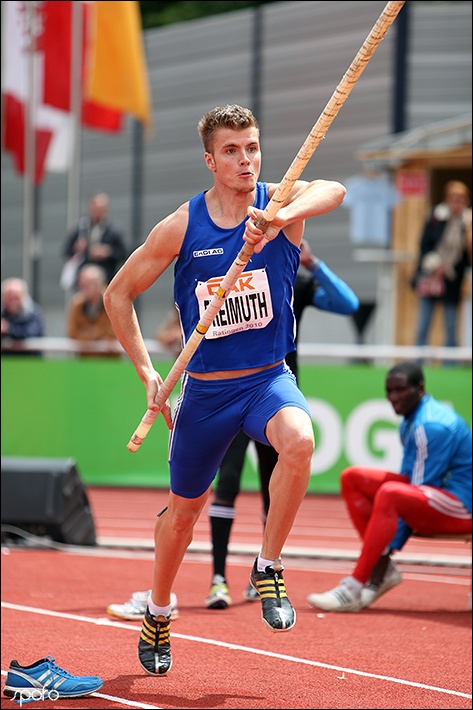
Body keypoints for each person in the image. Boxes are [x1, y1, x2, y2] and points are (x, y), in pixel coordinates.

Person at [103, 104, 346, 676]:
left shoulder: (281, 202)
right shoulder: (183, 226)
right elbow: (118, 295)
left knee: (300, 441)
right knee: (183, 517)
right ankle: (159, 610)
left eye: (253, 148)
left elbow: (330, 189)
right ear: (210, 160)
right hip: (206, 393)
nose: (245, 160)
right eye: (232, 151)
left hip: (266, 379)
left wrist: (277, 218)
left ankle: (268, 565)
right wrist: (147, 371)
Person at [206, 239, 359, 609]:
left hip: (276, 399)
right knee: (225, 483)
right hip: (231, 393)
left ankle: (261, 571)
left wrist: (313, 262)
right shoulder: (232, 274)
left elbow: (348, 304)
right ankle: (218, 580)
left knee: (272, 490)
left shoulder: (294, 281)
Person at [306, 360, 472, 613]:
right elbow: (412, 481)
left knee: (390, 493)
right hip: (440, 495)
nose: (393, 398)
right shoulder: (412, 419)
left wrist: (391, 543)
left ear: (420, 388)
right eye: (389, 391)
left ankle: (354, 586)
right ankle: (381, 568)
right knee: (352, 478)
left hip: (462, 506)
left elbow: (418, 489)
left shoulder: (432, 425)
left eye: (400, 390)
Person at [412, 180, 472, 349]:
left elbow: (467, 254)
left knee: (451, 324)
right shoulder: (437, 216)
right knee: (424, 321)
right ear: (447, 198)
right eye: (454, 197)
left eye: (461, 197)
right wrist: (436, 265)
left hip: (453, 276)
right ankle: (419, 360)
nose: (457, 201)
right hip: (430, 273)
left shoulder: (468, 221)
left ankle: (450, 365)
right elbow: (425, 244)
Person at [62, 192, 128, 289]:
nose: (97, 212)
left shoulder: (114, 230)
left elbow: (124, 254)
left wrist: (108, 252)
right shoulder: (81, 228)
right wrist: (77, 248)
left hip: (106, 279)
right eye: (95, 208)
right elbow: (66, 250)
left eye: (100, 209)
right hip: (83, 280)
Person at [66, 264, 120, 356]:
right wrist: (99, 335)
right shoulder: (76, 305)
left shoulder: (113, 303)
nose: (83, 288)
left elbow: (115, 334)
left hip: (110, 363)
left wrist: (89, 334)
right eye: (81, 284)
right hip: (84, 362)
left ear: (99, 284)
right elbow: (72, 333)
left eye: (88, 284)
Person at [1, 277, 44, 355]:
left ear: (23, 296)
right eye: (9, 297)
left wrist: (8, 329)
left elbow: (32, 333)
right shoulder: (2, 312)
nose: (13, 301)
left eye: (16, 297)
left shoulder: (32, 312)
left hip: (30, 360)